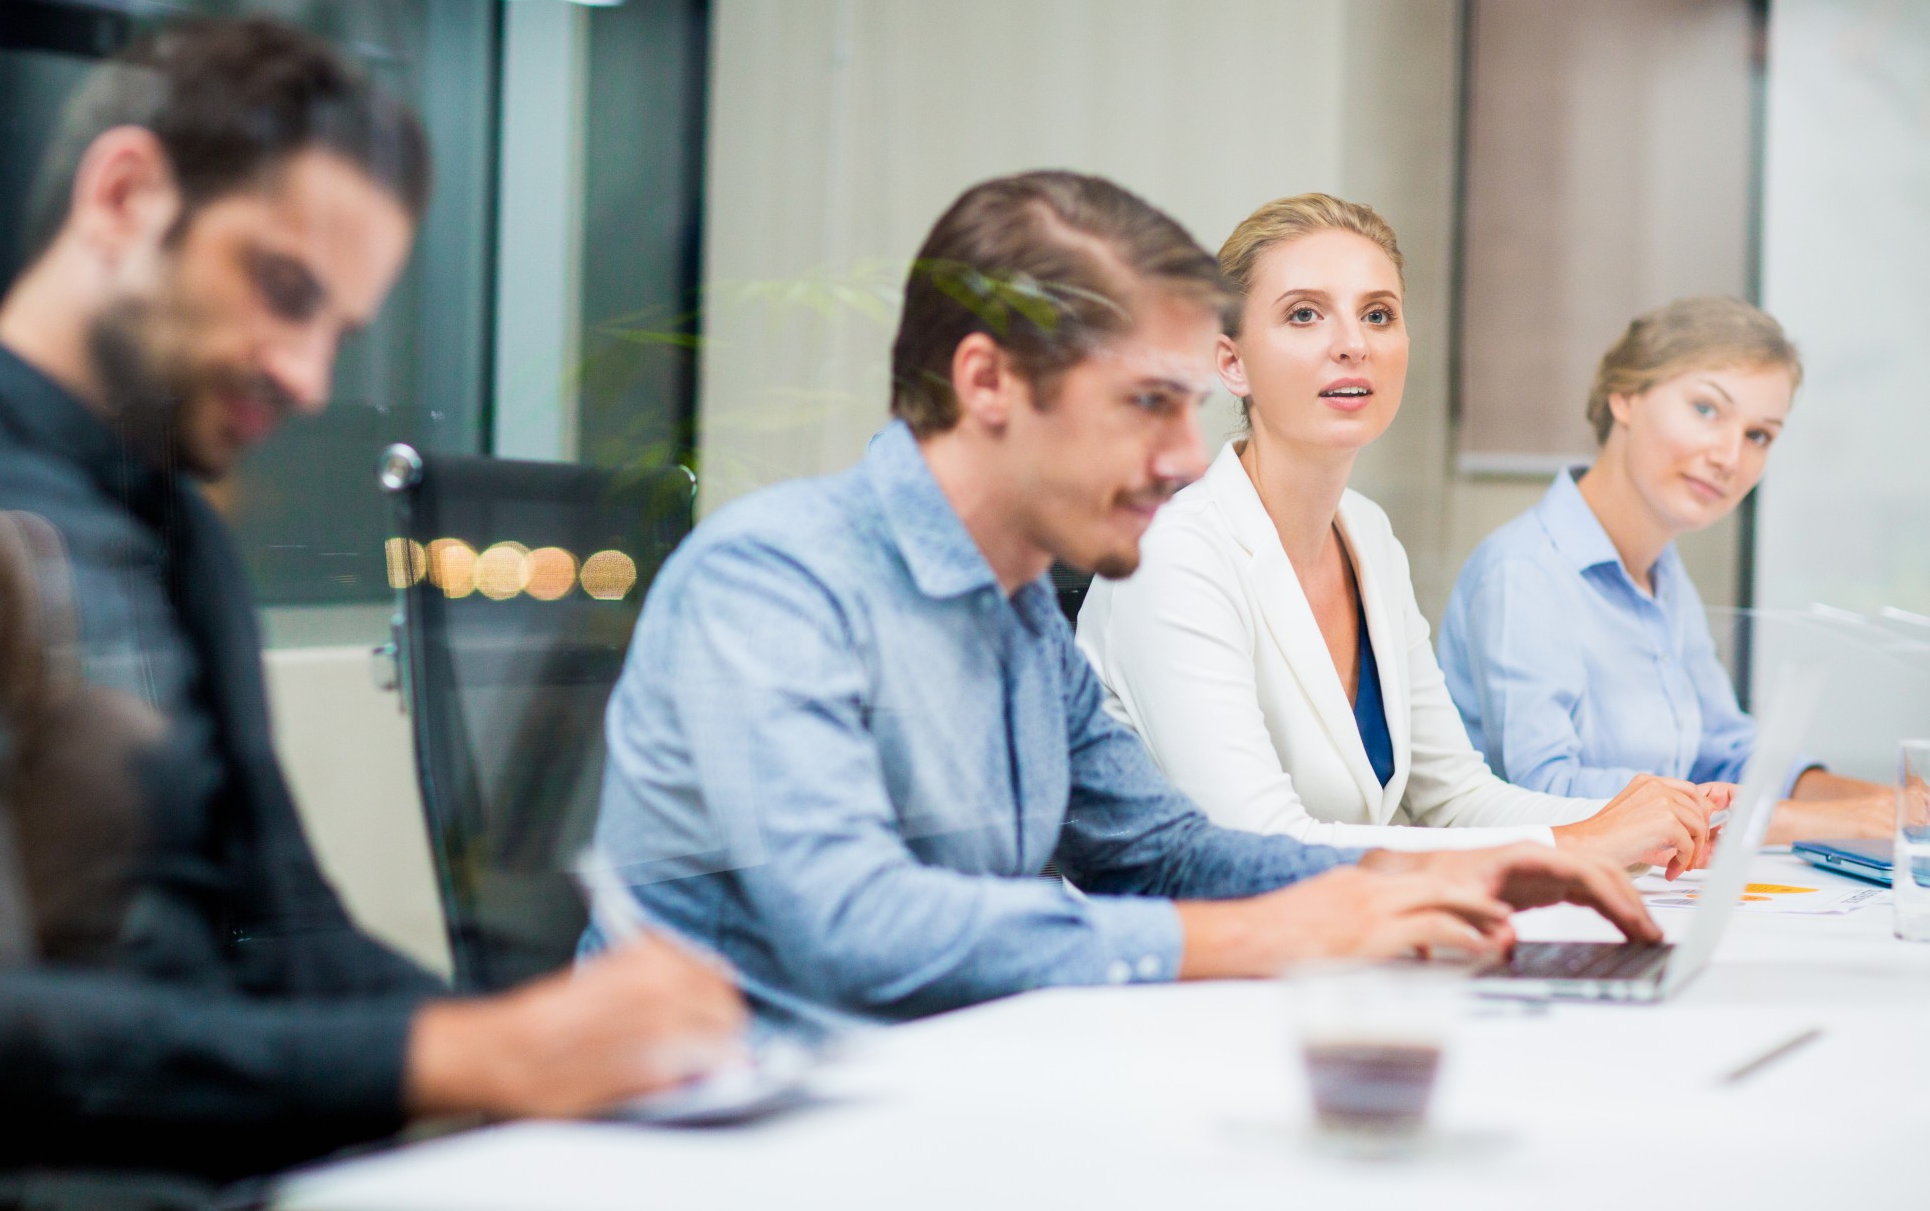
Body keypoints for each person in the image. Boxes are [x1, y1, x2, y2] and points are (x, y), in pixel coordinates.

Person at [0, 17, 744, 1186]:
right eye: (282, 289)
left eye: (337, 331)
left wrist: (553, 1047)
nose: (308, 377)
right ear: (123, 197)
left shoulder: (178, 536)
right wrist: (458, 1056)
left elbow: (290, 936)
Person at [586, 171, 1660, 1035]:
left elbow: (1165, 852)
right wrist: (1270, 932)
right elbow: (859, 928)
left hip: (932, 1089)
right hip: (727, 1127)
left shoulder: (1013, 610)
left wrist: (1431, 872)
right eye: (1146, 403)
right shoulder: (772, 582)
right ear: (987, 383)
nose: (1185, 456)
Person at [1076, 194, 1724, 868]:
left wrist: (1636, 818)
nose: (1353, 344)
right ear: (1232, 362)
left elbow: (1456, 800)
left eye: (1378, 314)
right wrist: (1581, 842)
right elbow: (1257, 846)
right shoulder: (1173, 555)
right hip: (1195, 932)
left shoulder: (1367, 534)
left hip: (1344, 924)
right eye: (1304, 314)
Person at [1437, 295, 1892, 841]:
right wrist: (1821, 820)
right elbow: (1546, 792)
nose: (1729, 457)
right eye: (1706, 409)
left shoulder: (1664, 576)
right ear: (1625, 396)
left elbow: (1725, 756)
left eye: (1758, 436)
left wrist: (1888, 803)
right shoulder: (1524, 574)